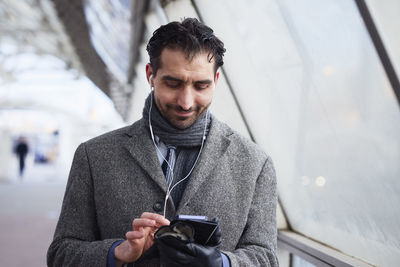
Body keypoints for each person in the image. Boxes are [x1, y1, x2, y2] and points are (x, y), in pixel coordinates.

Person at [47, 18, 278, 267]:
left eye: (201, 86)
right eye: (173, 83)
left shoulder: (255, 164)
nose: (186, 102)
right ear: (150, 75)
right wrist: (118, 252)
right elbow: (61, 253)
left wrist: (223, 263)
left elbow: (265, 256)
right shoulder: (93, 156)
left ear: (216, 82)